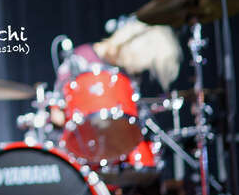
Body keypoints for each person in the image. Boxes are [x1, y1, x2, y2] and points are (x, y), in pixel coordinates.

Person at [51, 19, 182, 127]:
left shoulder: (128, 74)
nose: (134, 71)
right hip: (81, 136)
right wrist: (57, 110)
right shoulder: (80, 59)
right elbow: (56, 104)